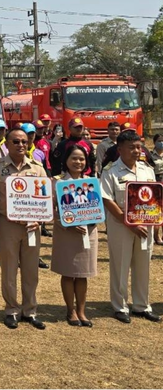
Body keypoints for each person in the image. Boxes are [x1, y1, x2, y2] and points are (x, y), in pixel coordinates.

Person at [0, 128, 48, 330]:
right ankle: (11, 310)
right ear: (7, 144)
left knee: (31, 270)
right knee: (9, 269)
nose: (21, 145)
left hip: (33, 225)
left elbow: (45, 199)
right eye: (16, 141)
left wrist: (39, 220)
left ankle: (30, 311)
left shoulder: (38, 168)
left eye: (24, 141)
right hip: (7, 224)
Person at [100, 130, 160, 324]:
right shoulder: (110, 171)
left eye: (139, 147)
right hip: (121, 225)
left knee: (143, 265)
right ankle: (120, 306)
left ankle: (142, 305)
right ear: (120, 149)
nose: (137, 151)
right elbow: (107, 198)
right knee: (120, 266)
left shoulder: (147, 169)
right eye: (132, 147)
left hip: (145, 225)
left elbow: (154, 198)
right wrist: (127, 221)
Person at [52, 142, 99, 329]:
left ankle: (81, 310)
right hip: (66, 234)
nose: (78, 162)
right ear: (66, 160)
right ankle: (70, 310)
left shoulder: (93, 182)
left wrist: (90, 221)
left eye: (81, 159)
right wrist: (68, 223)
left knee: (82, 274)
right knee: (68, 272)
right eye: (74, 158)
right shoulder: (58, 182)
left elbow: (98, 208)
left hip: (88, 232)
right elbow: (51, 210)